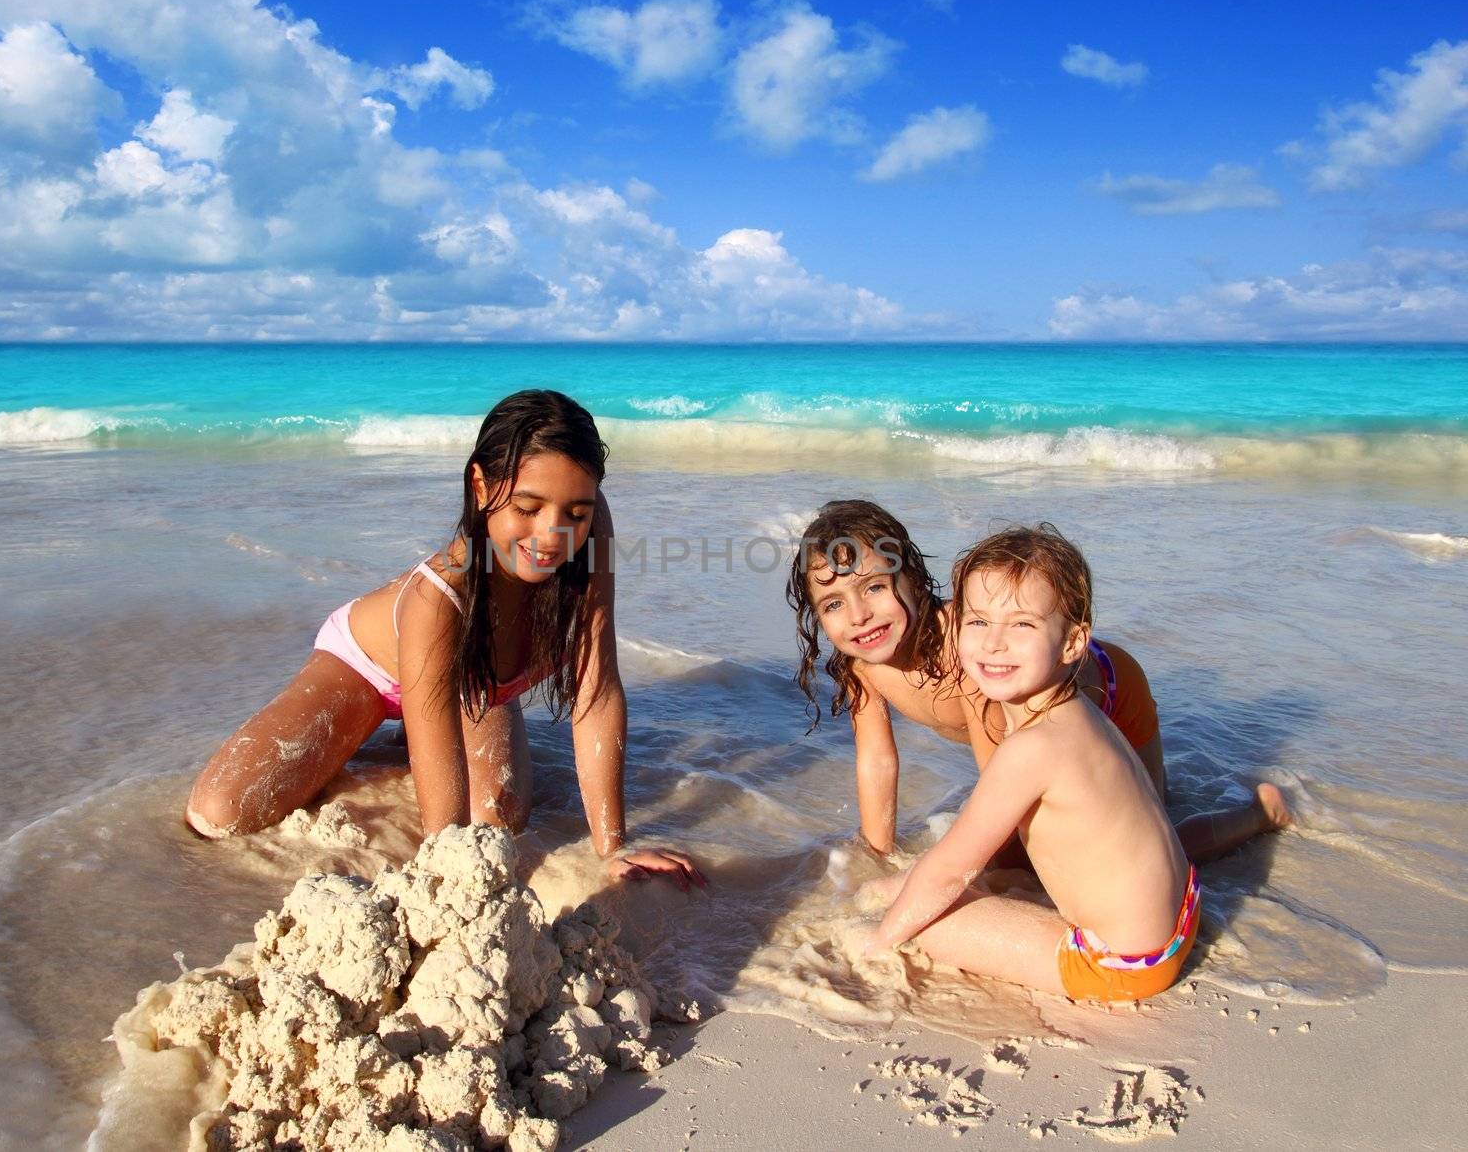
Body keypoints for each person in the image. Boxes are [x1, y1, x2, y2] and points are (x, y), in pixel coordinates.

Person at [186, 389, 705, 890]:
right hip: (368, 667)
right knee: (221, 815)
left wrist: (612, 847)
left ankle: (406, 740)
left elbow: (597, 690)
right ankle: (376, 732)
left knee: (496, 822)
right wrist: (444, 871)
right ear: (480, 487)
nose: (552, 536)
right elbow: (444, 828)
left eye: (576, 511)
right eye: (526, 508)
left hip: (473, 683)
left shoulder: (588, 528)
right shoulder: (438, 596)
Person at [787, 499, 1290, 862]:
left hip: (1110, 694)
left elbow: (1000, 781)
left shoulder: (971, 648)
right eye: (833, 604)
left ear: (913, 579)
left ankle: (1257, 814)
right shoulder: (861, 668)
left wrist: (985, 871)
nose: (857, 615)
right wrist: (877, 854)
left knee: (1147, 845)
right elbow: (877, 760)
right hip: (1034, 741)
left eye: (874, 587)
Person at [856, 525, 1199, 1001]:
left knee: (922, 923)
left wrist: (875, 944)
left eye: (1021, 625)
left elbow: (949, 871)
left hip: (1123, 963)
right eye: (977, 622)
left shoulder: (1030, 747)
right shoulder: (1078, 712)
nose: (994, 643)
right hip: (1183, 913)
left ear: (1074, 642)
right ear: (954, 624)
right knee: (905, 891)